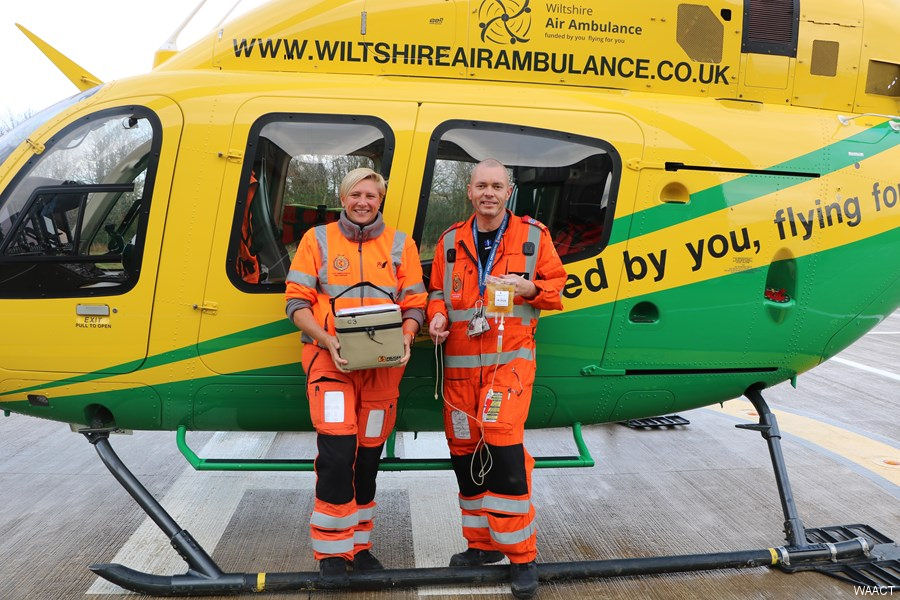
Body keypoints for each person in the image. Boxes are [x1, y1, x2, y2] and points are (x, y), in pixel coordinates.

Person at [427, 158, 566, 599]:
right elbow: (435, 293)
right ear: (470, 192)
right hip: (459, 374)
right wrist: (434, 318)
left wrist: (531, 290)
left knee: (503, 446)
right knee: (465, 454)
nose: (489, 193)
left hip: (508, 367)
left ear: (509, 192)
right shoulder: (450, 241)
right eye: (481, 186)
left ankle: (523, 557)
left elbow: (558, 286)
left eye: (497, 186)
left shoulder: (533, 237)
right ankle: (481, 545)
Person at [285, 167, 426, 580]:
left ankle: (360, 547)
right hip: (332, 363)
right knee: (336, 456)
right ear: (343, 197)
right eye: (356, 195)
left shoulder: (402, 244)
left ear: (380, 200)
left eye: (372, 196)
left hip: (382, 371)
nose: (364, 202)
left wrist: (407, 336)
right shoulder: (317, 240)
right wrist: (326, 340)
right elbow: (296, 302)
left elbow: (415, 302)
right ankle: (332, 553)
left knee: (367, 460)